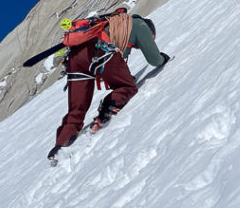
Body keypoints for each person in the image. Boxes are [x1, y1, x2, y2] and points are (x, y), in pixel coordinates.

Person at [48, 12, 169, 161]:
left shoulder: (114, 24)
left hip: (75, 58)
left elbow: (118, 66)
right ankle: (108, 108)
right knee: (127, 87)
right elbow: (154, 59)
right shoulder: (140, 26)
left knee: (76, 109)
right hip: (100, 50)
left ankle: (61, 144)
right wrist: (164, 58)